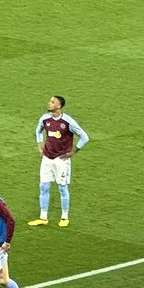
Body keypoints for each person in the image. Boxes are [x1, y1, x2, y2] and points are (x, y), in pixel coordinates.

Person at [28, 95, 89, 228]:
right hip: (47, 158)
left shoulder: (68, 122)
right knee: (43, 186)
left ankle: (64, 217)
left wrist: (74, 151)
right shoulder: (45, 118)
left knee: (62, 187)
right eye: (50, 101)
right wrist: (40, 145)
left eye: (52, 102)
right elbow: (38, 131)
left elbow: (84, 137)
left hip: (61, 160)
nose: (49, 103)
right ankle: (43, 217)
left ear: (59, 106)